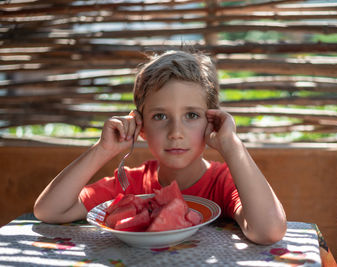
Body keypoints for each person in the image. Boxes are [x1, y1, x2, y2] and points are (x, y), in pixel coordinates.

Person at [34, 50, 287, 245]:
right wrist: (103, 149)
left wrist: (232, 145)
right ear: (140, 126)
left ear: (212, 122)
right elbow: (49, 210)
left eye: (191, 115)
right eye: (160, 117)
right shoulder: (131, 185)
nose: (176, 133)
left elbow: (269, 231)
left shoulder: (223, 183)